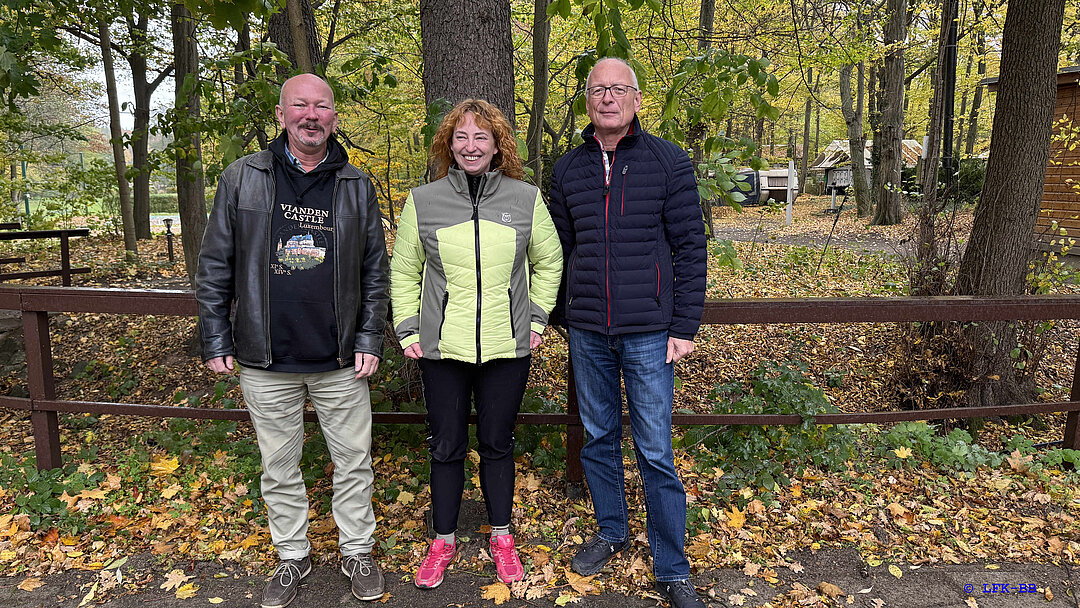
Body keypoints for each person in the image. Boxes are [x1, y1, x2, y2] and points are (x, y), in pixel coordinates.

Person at [195, 73, 390, 608]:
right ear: (281, 115)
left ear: (333, 116)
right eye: (299, 105)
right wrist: (215, 336)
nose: (311, 114)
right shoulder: (243, 178)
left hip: (340, 358)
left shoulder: (355, 184)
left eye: (321, 106)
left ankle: (356, 550)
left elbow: (375, 270)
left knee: (354, 460)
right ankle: (291, 556)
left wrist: (370, 335)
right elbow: (215, 264)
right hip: (265, 356)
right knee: (278, 466)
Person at [548, 58, 708, 608]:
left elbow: (691, 246)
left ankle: (672, 566)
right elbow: (560, 252)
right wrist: (558, 317)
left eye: (618, 89)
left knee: (656, 449)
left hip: (649, 332)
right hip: (588, 330)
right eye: (598, 90)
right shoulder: (567, 169)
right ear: (587, 100)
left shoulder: (668, 162)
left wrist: (684, 324)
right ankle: (612, 532)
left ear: (637, 99)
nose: (608, 98)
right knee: (598, 438)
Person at [389, 98, 563, 590]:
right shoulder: (423, 202)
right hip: (441, 349)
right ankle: (442, 541)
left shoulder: (525, 199)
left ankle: (502, 538)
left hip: (507, 348)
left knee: (497, 445)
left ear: (496, 145)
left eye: (480, 137)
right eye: (461, 137)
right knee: (445, 447)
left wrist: (536, 318)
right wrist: (407, 328)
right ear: (449, 144)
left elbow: (549, 262)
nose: (470, 146)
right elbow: (404, 271)